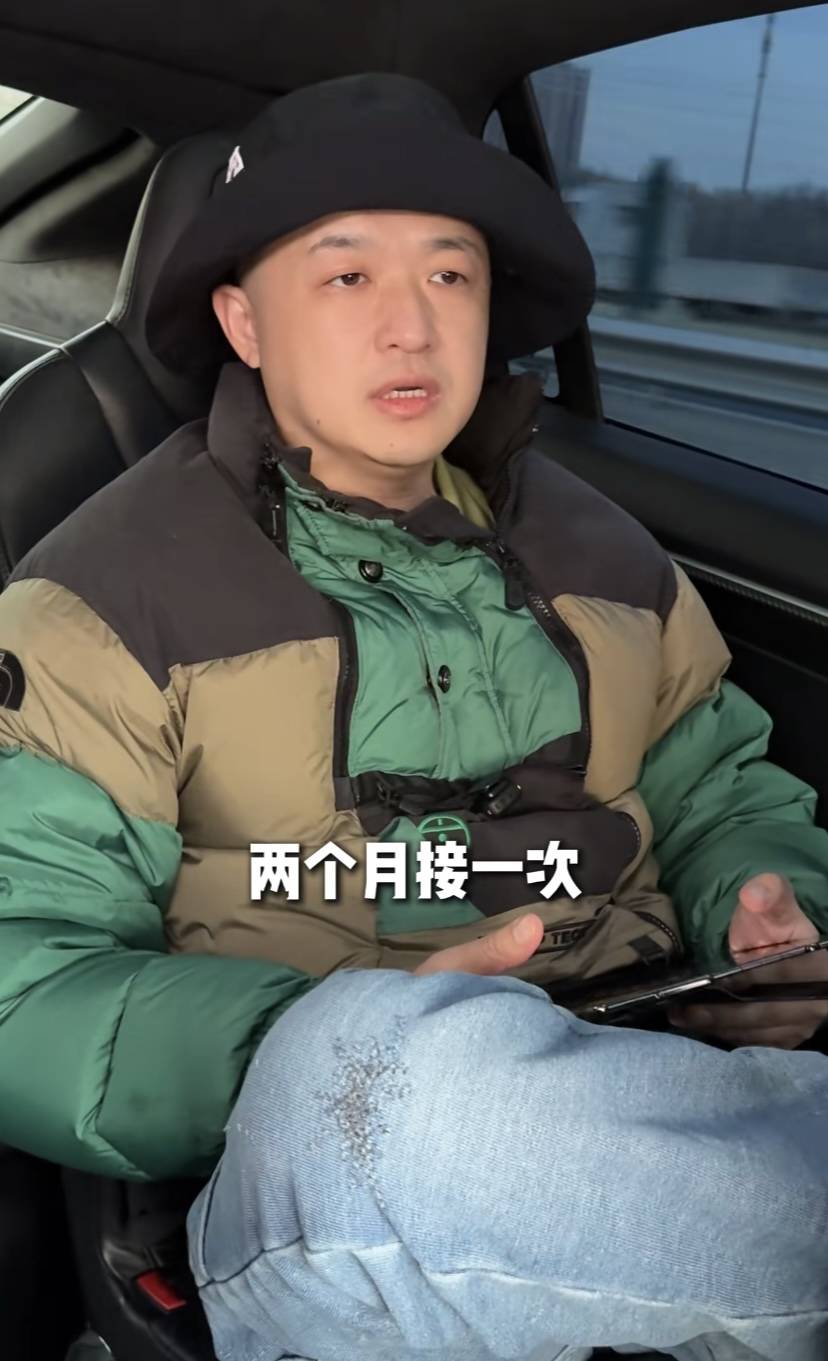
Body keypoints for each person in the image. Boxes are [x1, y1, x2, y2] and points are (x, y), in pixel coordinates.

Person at [0, 71, 826, 1361]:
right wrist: (297, 1042)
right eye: (347, 277)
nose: (413, 326)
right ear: (243, 321)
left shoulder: (609, 557)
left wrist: (760, 921)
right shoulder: (102, 602)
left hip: (651, 1071)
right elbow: (25, 973)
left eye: (451, 276)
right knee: (396, 1076)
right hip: (316, 1140)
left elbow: (718, 786)